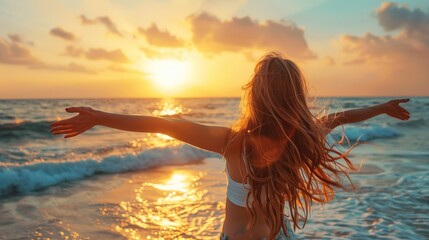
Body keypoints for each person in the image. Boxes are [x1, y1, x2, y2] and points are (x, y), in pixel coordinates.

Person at [50, 52, 410, 240]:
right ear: (296, 96)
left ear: (254, 95)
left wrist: (100, 116)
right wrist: (380, 107)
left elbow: (163, 124)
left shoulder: (232, 142)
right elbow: (341, 118)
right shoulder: (301, 139)